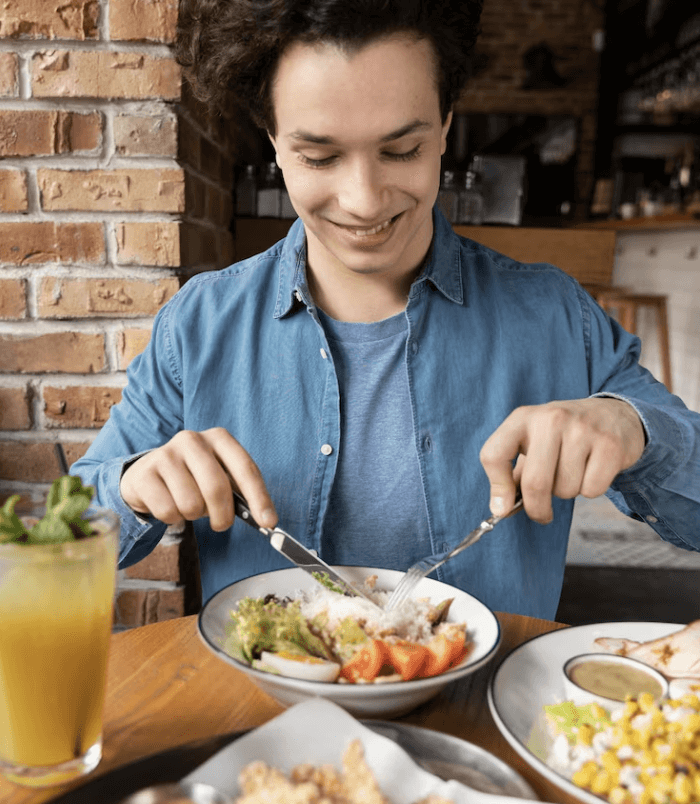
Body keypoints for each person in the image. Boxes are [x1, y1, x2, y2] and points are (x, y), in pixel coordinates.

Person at [73, 0, 700, 619]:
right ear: (273, 141)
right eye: (319, 157)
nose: (364, 201)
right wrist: (133, 487)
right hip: (268, 717)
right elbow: (67, 531)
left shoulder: (554, 315)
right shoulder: (200, 325)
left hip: (488, 714)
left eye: (402, 150)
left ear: (446, 124)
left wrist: (634, 430)